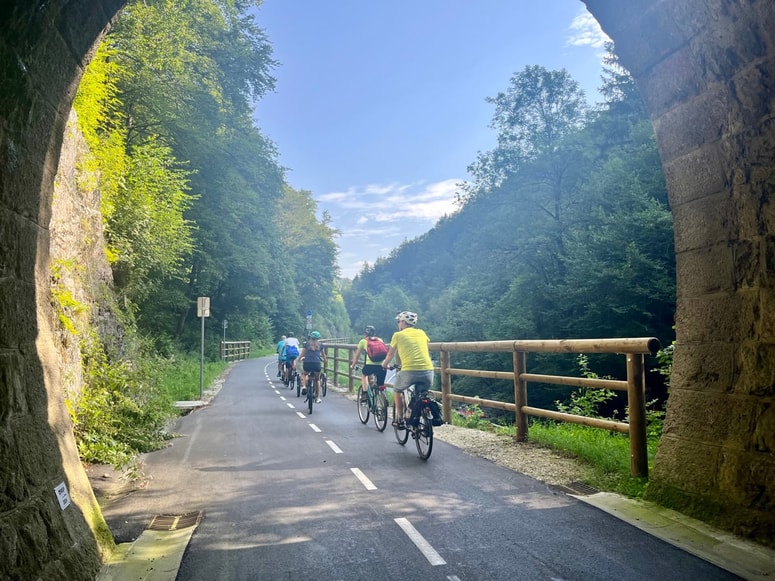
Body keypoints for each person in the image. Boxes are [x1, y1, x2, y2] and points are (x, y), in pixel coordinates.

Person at [382, 311, 434, 427]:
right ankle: (417, 413)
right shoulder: (422, 333)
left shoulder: (398, 335)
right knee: (420, 393)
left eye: (399, 321)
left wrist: (384, 365)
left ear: (403, 323)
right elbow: (425, 349)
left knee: (397, 390)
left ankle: (399, 419)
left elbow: (390, 354)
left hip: (409, 371)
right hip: (428, 371)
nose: (398, 324)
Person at [350, 326, 387, 402]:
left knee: (364, 375)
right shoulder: (380, 340)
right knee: (380, 385)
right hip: (382, 366)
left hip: (370, 366)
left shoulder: (363, 341)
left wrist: (352, 365)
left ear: (365, 333)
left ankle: (364, 393)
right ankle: (382, 401)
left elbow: (357, 356)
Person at [299, 331, 326, 404]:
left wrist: (299, 359)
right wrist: (325, 361)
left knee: (305, 374)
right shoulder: (320, 345)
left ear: (310, 337)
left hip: (307, 363)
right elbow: (323, 355)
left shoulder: (306, 344)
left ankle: (304, 386)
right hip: (316, 364)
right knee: (317, 380)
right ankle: (318, 397)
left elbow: (303, 353)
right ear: (318, 338)